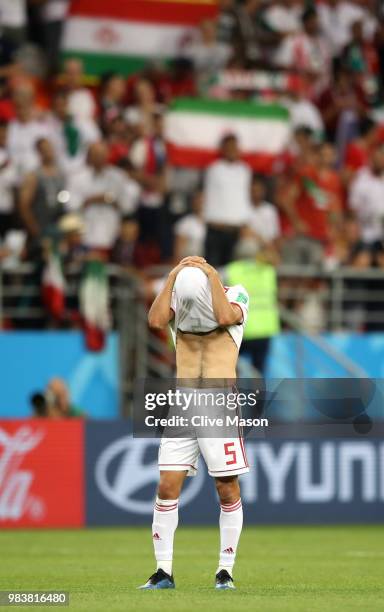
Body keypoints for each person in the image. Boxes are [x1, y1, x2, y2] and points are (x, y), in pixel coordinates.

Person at [141, 255, 249, 590]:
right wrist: (173, 275)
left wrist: (210, 274)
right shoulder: (178, 301)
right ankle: (163, 572)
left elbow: (224, 316)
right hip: (183, 404)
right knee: (166, 486)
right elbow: (156, 320)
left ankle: (225, 571)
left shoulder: (236, 294)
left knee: (226, 487)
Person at [203, 134, 251, 266]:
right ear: (223, 149)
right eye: (229, 147)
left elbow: (244, 197)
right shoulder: (214, 169)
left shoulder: (245, 170)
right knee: (212, 271)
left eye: (234, 147)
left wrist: (246, 220)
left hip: (235, 230)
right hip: (216, 228)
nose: (232, 150)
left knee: (231, 273)